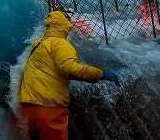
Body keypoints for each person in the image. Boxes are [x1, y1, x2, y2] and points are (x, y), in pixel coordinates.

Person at [19, 10, 119, 140]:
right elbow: (70, 69)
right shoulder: (61, 44)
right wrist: (101, 74)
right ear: (64, 25)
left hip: (26, 107)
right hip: (49, 108)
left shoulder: (37, 44)